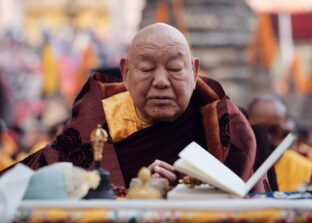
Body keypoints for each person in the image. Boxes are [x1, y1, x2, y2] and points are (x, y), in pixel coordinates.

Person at [8, 23, 267, 192]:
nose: (161, 81)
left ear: (194, 70)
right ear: (126, 72)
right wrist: (138, 191)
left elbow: (252, 203)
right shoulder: (96, 123)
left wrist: (190, 189)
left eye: (175, 68)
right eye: (146, 69)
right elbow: (31, 188)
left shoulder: (225, 124)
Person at [247, 94, 312, 191]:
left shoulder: (307, 171)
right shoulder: (235, 170)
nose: (267, 138)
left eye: (275, 130)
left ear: (287, 128)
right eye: (259, 131)